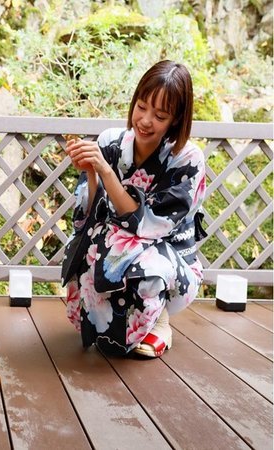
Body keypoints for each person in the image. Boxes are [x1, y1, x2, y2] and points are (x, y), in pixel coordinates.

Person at [61, 60, 206, 358]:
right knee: (83, 253)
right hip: (112, 249)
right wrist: (90, 172)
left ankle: (159, 321)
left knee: (146, 270)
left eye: (160, 115)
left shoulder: (187, 159)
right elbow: (87, 216)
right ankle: (114, 329)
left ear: (176, 120)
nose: (145, 120)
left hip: (167, 258)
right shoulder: (110, 142)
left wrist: (107, 172)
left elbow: (149, 224)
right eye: (141, 106)